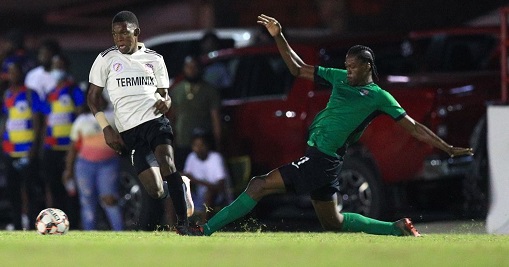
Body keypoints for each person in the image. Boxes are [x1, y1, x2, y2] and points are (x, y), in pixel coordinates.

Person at [195, 14, 474, 237]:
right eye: (347, 66)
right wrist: (279, 36)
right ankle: (396, 227)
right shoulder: (340, 78)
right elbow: (298, 68)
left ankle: (204, 230)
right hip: (325, 160)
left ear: (367, 66)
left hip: (321, 158)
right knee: (334, 222)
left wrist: (446, 147)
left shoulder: (379, 96)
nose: (348, 70)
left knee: (258, 185)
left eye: (352, 67)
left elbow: (413, 127)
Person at [87, 10, 198, 235]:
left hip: (155, 121)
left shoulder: (154, 59)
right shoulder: (106, 59)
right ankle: (179, 186)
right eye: (115, 34)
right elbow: (92, 98)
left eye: (124, 33)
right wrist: (106, 128)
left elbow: (164, 95)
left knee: (167, 163)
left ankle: (183, 225)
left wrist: (166, 102)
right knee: (155, 190)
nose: (119, 39)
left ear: (136, 32)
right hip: (129, 131)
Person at [62, 89, 123, 231]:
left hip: (108, 165)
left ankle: (120, 232)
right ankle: (90, 235)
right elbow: (74, 148)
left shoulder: (113, 117)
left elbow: (122, 140)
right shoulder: (81, 120)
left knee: (110, 199)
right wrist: (69, 170)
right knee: (87, 202)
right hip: (85, 165)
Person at [39, 53, 85, 228]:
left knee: (71, 189)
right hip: (51, 148)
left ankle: (74, 223)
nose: (57, 70)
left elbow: (80, 116)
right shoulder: (50, 94)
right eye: (54, 66)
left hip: (69, 148)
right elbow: (45, 121)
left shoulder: (74, 90)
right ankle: (57, 224)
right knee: (54, 187)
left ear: (66, 68)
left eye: (60, 66)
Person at [1, 62, 45, 230]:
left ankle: (32, 224)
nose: (13, 76)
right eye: (10, 72)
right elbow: (7, 119)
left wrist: (34, 148)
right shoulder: (7, 94)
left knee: (29, 190)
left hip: (27, 151)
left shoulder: (30, 94)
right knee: (13, 191)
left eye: (16, 72)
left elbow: (37, 121)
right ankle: (18, 225)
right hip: (10, 150)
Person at [169, 55, 222, 171]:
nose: (191, 70)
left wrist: (217, 141)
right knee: (185, 172)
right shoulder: (177, 90)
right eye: (188, 67)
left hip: (204, 140)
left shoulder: (209, 90)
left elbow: (215, 118)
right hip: (183, 140)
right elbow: (172, 116)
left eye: (194, 67)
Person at [183, 131, 232, 223]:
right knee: (173, 193)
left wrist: (195, 180)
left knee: (209, 193)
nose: (199, 148)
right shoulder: (191, 157)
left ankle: (203, 228)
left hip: (217, 198)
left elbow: (220, 187)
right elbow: (187, 178)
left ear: (208, 145)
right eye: (195, 145)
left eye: (202, 145)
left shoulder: (216, 158)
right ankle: (173, 228)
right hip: (196, 197)